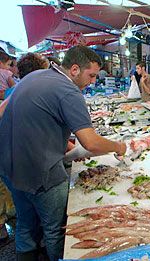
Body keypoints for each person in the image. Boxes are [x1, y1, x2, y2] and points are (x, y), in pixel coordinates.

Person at [0, 45, 126, 261]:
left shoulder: (36, 76)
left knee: (25, 223)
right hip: (40, 171)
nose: (93, 82)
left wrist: (66, 147)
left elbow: (22, 114)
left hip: (9, 167)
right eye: (92, 75)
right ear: (75, 69)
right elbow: (91, 142)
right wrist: (118, 146)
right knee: (57, 230)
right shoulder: (69, 91)